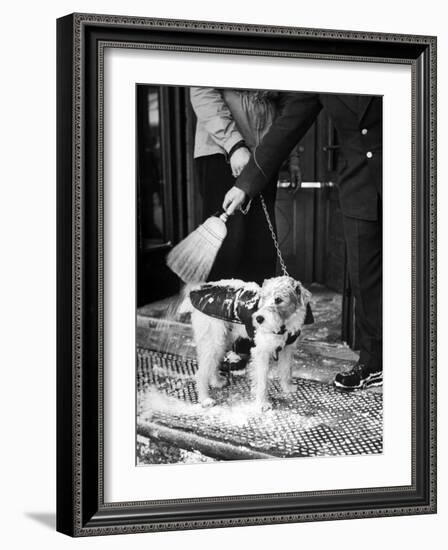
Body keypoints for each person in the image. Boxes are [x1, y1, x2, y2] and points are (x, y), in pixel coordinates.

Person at [223, 92, 383, 391]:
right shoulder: (321, 73)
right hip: (361, 189)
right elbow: (285, 130)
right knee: (366, 278)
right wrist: (245, 185)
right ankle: (374, 362)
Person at [190, 87, 301, 285]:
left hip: (265, 155)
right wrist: (233, 145)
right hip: (222, 151)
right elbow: (202, 91)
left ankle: (254, 312)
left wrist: (292, 157)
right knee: (228, 248)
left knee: (261, 248)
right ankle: (219, 313)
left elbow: (289, 106)